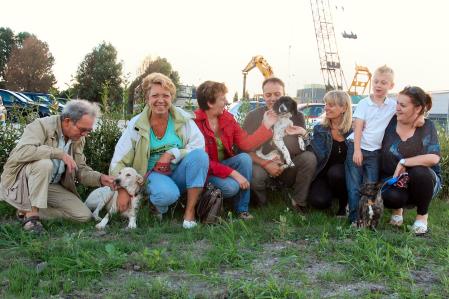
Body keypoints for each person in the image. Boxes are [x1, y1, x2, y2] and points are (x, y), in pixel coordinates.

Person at [110, 73, 208, 229]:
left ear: (172, 98)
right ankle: (157, 204)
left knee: (200, 156)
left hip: (179, 172)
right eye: (155, 95)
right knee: (167, 195)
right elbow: (118, 161)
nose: (160, 100)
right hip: (152, 175)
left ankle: (189, 214)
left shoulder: (183, 119)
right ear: (147, 99)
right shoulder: (136, 124)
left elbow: (198, 146)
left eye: (166, 95)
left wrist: (172, 153)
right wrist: (122, 189)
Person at [0, 100, 115, 233]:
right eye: (83, 129)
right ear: (67, 121)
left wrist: (100, 178)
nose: (85, 134)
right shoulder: (41, 125)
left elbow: (80, 169)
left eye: (88, 131)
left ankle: (24, 210)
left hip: (52, 185)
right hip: (23, 183)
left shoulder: (78, 138)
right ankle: (31, 219)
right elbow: (21, 152)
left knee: (83, 216)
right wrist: (57, 153)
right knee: (44, 164)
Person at [194, 80, 277, 220]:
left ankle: (242, 209)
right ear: (210, 102)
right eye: (222, 98)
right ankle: (203, 199)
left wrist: (266, 126)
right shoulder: (195, 123)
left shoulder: (227, 118)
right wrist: (233, 173)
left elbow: (246, 144)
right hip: (205, 170)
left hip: (223, 166)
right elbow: (203, 162)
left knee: (244, 157)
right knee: (231, 187)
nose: (227, 101)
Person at [243, 77, 317, 214]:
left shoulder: (296, 115)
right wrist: (266, 164)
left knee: (309, 158)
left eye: (277, 94)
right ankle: (262, 204)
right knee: (254, 171)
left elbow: (300, 149)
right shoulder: (253, 116)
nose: (272, 98)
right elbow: (243, 150)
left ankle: (298, 202)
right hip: (262, 166)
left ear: (284, 95)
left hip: (287, 167)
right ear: (263, 96)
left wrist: (303, 134)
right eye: (268, 95)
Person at [380, 86, 441, 235]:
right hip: (395, 180)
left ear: (418, 108)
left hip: (424, 182)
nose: (397, 108)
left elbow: (434, 157)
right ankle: (397, 209)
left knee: (420, 172)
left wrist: (404, 162)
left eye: (403, 105)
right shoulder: (390, 121)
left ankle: (422, 216)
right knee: (390, 197)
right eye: (397, 103)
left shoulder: (427, 126)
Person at [345, 65, 397, 224]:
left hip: (375, 153)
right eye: (375, 81)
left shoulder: (392, 105)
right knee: (354, 187)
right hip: (357, 147)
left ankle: (368, 219)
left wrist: (421, 119)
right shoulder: (363, 103)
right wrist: (357, 150)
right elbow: (358, 127)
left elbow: (406, 112)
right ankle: (354, 219)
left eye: (383, 82)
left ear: (391, 86)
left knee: (370, 187)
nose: (378, 85)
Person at [308, 90, 353, 215]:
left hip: (345, 176)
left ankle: (344, 204)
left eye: (331, 105)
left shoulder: (354, 130)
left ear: (344, 108)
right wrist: (305, 136)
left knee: (336, 172)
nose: (326, 108)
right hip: (323, 174)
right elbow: (319, 155)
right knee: (319, 202)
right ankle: (331, 196)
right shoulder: (320, 128)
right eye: (326, 104)